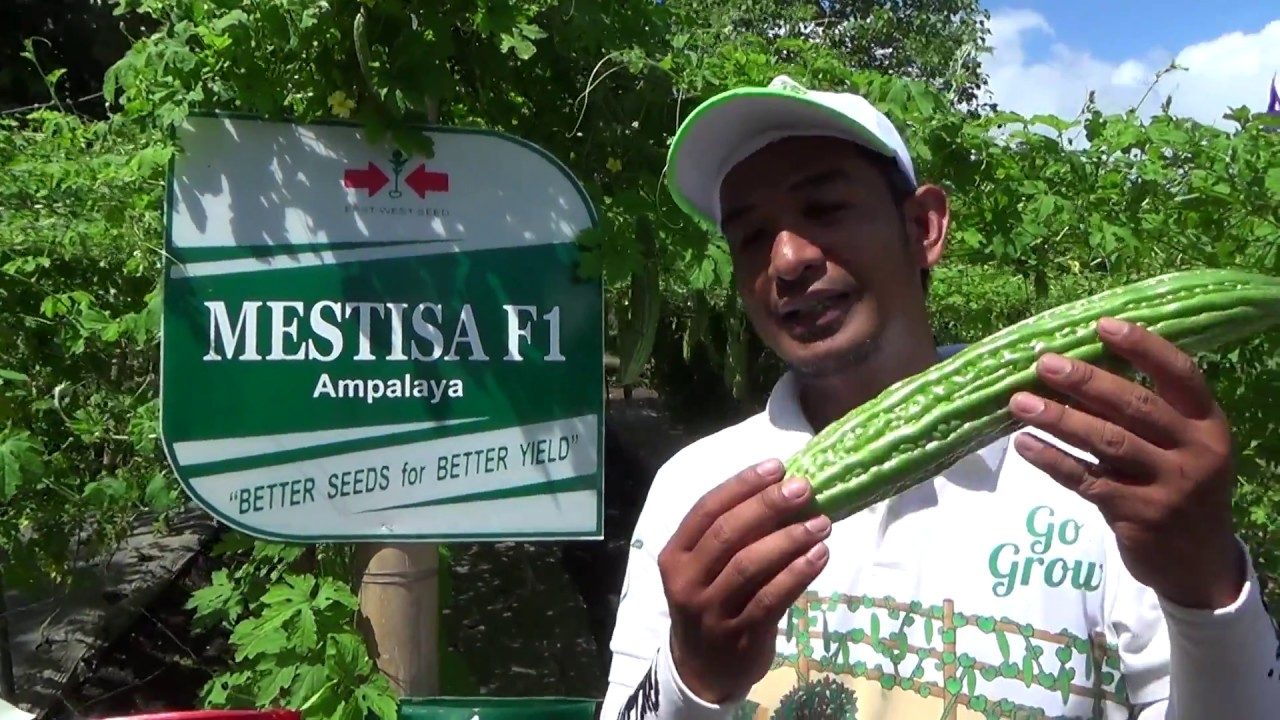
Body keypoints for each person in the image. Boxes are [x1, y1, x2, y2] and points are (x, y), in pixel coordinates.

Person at [597, 75, 1280, 720]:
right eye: (749, 235)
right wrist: (691, 679)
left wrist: (1205, 589)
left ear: (925, 227)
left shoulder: (1104, 474)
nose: (786, 259)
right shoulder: (696, 488)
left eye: (826, 209)